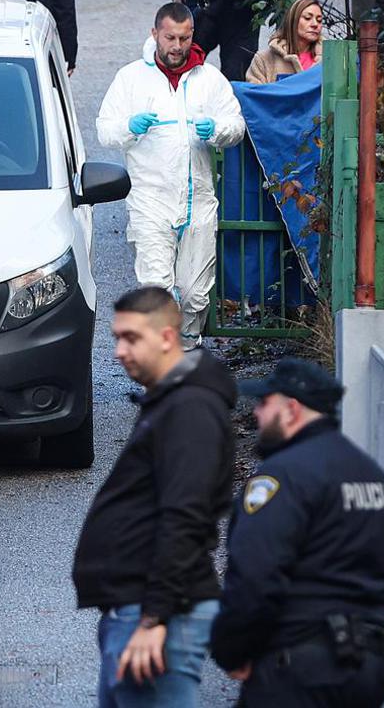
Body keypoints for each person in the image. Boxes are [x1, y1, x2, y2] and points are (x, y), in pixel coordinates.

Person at [71, 287, 236, 707]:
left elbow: (185, 516)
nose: (118, 352)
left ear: (166, 337)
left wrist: (155, 618)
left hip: (158, 615)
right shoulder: (171, 401)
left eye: (131, 338)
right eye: (116, 338)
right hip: (139, 609)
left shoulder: (190, 409)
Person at [210, 358, 384, 707]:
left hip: (299, 668)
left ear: (292, 410)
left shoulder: (282, 477)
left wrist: (231, 649)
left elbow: (255, 575)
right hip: (367, 665)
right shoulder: (374, 477)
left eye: (264, 403)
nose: (256, 413)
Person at [95, 2, 246, 339]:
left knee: (194, 295)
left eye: (184, 38)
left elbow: (236, 125)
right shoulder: (131, 78)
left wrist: (218, 130)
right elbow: (105, 129)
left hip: (198, 203)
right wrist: (129, 127)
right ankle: (165, 363)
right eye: (170, 38)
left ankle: (187, 350)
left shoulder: (209, 79)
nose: (177, 46)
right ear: (155, 34)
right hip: (149, 202)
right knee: (157, 291)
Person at [245, 0, 326, 84]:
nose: (315, 24)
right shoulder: (264, 59)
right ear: (293, 21)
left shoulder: (329, 59)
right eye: (307, 18)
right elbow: (255, 91)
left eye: (319, 20)